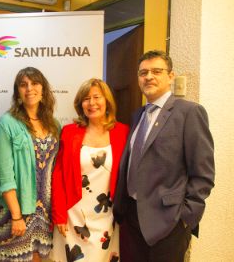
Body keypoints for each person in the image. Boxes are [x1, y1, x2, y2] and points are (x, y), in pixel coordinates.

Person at [113, 50, 215, 262]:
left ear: (170, 76)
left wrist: (186, 217)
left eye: (156, 71)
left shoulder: (189, 113)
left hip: (168, 222)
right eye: (143, 73)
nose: (148, 77)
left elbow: (203, 173)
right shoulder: (137, 115)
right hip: (131, 219)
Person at [51, 78, 129, 262]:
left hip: (108, 217)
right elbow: (58, 175)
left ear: (107, 101)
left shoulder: (123, 132)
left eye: (97, 97)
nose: (92, 103)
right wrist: (59, 214)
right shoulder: (70, 132)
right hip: (74, 215)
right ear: (80, 104)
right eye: (86, 99)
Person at [0, 67, 59, 262]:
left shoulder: (54, 125)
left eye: (35, 83)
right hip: (17, 211)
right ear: (17, 92)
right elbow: (4, 176)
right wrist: (16, 216)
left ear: (43, 89)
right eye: (23, 84)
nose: (29, 88)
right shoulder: (7, 124)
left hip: (45, 212)